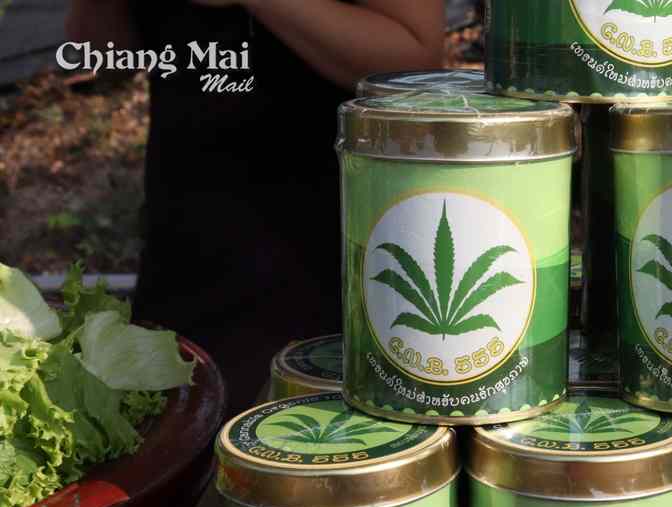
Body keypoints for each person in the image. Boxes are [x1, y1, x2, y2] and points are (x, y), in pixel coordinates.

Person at [66, 0, 445, 416]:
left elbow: (413, 62)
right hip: (186, 238)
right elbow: (99, 61)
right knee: (174, 423)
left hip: (322, 244)